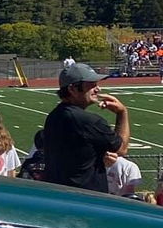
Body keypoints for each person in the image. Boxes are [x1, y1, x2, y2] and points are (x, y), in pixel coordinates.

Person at [42, 61, 129, 193]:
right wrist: (122, 113)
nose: (98, 89)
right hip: (87, 197)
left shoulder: (54, 116)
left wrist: (99, 157)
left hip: (59, 193)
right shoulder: (88, 121)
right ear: (73, 89)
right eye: (91, 85)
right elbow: (121, 149)